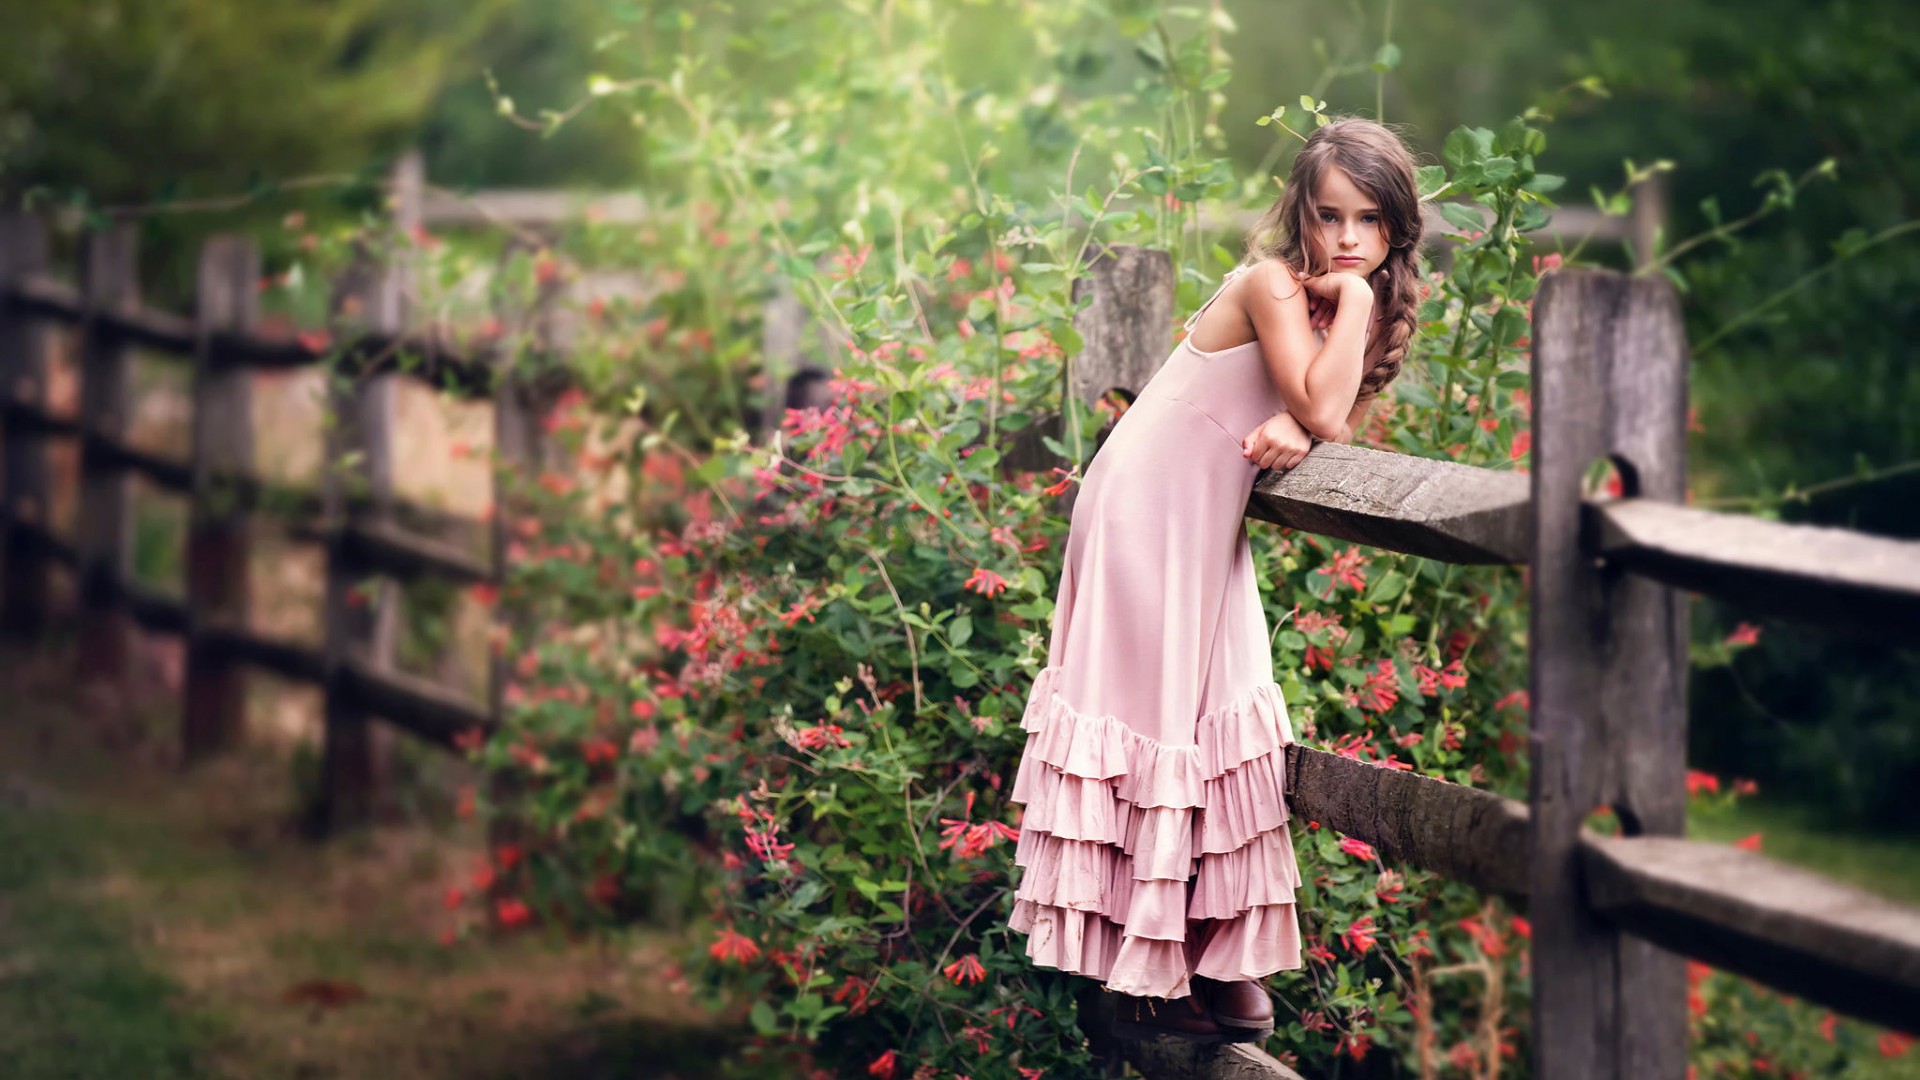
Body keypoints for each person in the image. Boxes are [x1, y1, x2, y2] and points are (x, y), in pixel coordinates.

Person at [1004, 116, 1425, 1044]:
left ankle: (1206, 948)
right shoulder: (1271, 283)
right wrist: (1342, 340)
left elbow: (1320, 414)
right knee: (1154, 717)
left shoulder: (1326, 304)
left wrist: (1308, 423)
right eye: (1328, 216)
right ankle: (1140, 969)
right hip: (1144, 512)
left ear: (1397, 227)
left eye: (1368, 219)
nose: (1347, 238)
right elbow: (1323, 405)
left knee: (1223, 709)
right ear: (1299, 218)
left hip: (1204, 524)